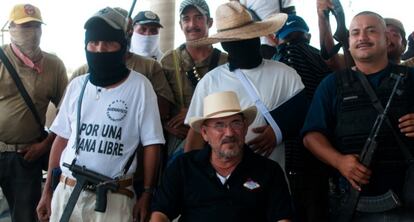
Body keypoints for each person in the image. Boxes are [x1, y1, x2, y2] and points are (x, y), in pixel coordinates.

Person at [36, 7, 164, 222]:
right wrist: (48, 190)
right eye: (93, 43)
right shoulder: (77, 85)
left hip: (115, 198)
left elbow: (152, 144)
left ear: (122, 45)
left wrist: (147, 193)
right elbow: (61, 139)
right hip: (68, 192)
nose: (99, 49)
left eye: (108, 42)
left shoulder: (140, 87)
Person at [302, 11, 414, 221]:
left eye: (371, 31)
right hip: (354, 204)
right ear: (350, 41)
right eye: (355, 33)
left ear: (386, 38)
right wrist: (339, 162)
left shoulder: (410, 79)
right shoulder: (332, 85)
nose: (362, 37)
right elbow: (311, 136)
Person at [185, 1, 305, 170]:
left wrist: (278, 130)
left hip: (272, 182)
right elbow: (197, 136)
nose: (244, 44)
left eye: (249, 37)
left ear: (258, 36)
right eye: (236, 40)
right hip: (222, 184)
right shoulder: (210, 82)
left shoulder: (286, 74)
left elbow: (303, 112)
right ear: (225, 44)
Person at [151, 91, 293, 222]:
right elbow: (160, 213)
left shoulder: (268, 171)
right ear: (205, 133)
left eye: (236, 123)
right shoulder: (184, 166)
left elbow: (282, 218)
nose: (229, 133)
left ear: (244, 128)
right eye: (219, 125)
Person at [0, 4, 68, 222]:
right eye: (24, 26)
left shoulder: (54, 65)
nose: (31, 31)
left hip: (26, 155)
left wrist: (46, 144)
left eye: (36, 26)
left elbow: (66, 113)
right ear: (11, 28)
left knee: (26, 217)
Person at [274, 14, 332, 222]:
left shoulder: (274, 64)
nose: (293, 48)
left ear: (276, 39)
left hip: (286, 157)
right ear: (308, 36)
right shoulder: (321, 61)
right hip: (319, 155)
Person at [161, 0, 227, 160]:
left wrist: (193, 115)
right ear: (180, 24)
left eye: (198, 17)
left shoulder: (225, 61)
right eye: (186, 18)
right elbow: (159, 109)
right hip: (179, 140)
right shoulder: (168, 61)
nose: (192, 24)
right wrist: (169, 128)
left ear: (209, 22)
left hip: (218, 137)